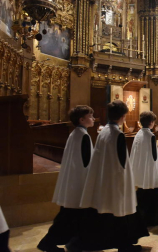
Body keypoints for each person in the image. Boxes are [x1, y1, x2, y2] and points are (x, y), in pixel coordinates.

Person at [79, 100, 149, 252]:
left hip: (105, 178)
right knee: (120, 213)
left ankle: (119, 244)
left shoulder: (102, 131)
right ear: (124, 116)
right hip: (116, 180)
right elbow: (122, 163)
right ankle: (125, 246)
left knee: (110, 214)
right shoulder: (118, 134)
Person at [38, 106, 95, 252]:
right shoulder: (83, 135)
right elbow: (86, 163)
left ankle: (75, 243)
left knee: (71, 217)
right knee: (67, 218)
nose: (93, 118)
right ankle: (48, 243)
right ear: (81, 119)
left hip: (73, 182)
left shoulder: (76, 133)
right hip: (78, 183)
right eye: (90, 115)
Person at [130, 111, 158, 227]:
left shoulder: (138, 133)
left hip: (139, 168)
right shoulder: (150, 136)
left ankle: (141, 217)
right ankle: (151, 218)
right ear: (151, 122)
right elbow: (154, 157)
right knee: (151, 195)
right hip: (149, 171)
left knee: (142, 194)